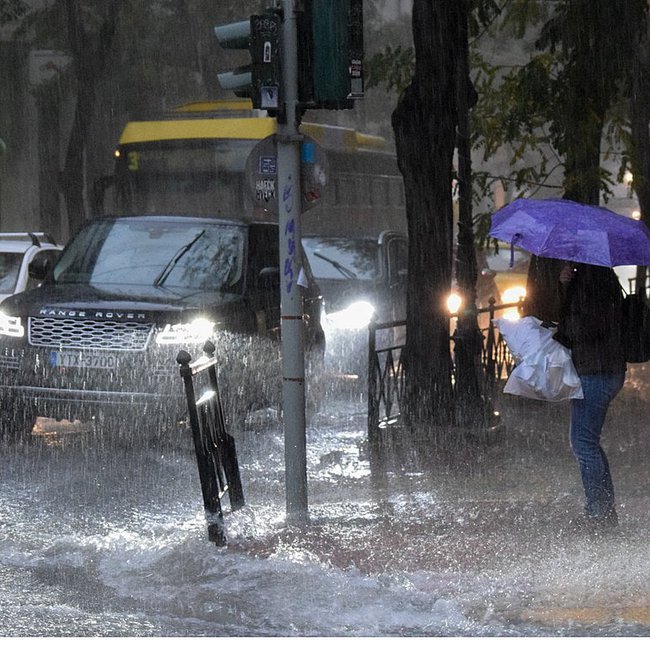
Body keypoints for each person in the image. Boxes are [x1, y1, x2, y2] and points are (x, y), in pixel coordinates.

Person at [553, 261, 627, 533]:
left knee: (583, 444)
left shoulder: (591, 279)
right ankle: (603, 511)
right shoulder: (600, 275)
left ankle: (599, 514)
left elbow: (584, 327)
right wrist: (565, 286)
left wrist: (560, 330)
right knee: (588, 443)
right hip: (604, 367)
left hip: (596, 370)